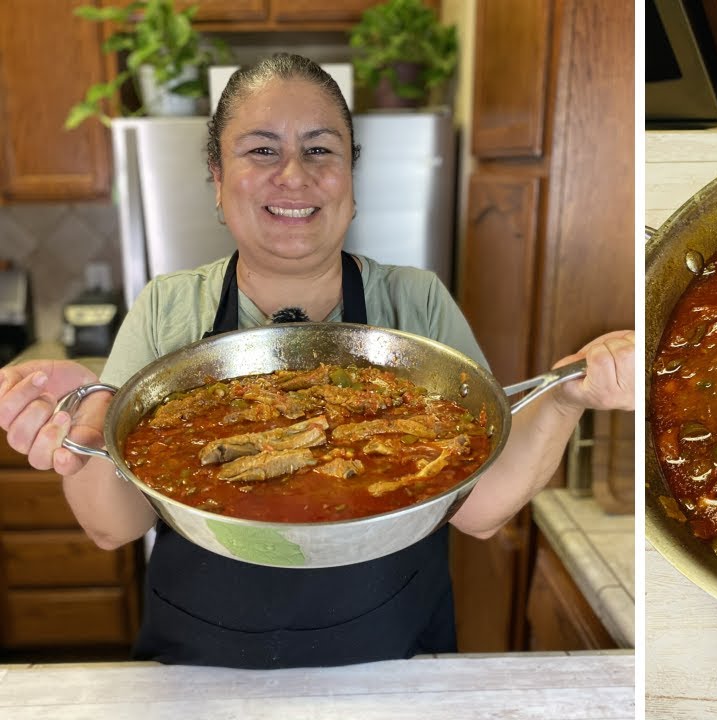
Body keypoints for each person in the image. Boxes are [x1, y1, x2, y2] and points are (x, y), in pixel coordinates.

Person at [0, 53, 634, 668]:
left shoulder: (414, 300)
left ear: (350, 180)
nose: (294, 175)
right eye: (261, 150)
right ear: (218, 184)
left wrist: (564, 398)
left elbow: (478, 509)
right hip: (203, 666)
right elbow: (115, 525)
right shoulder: (168, 307)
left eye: (320, 149)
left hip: (393, 657)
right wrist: (80, 422)